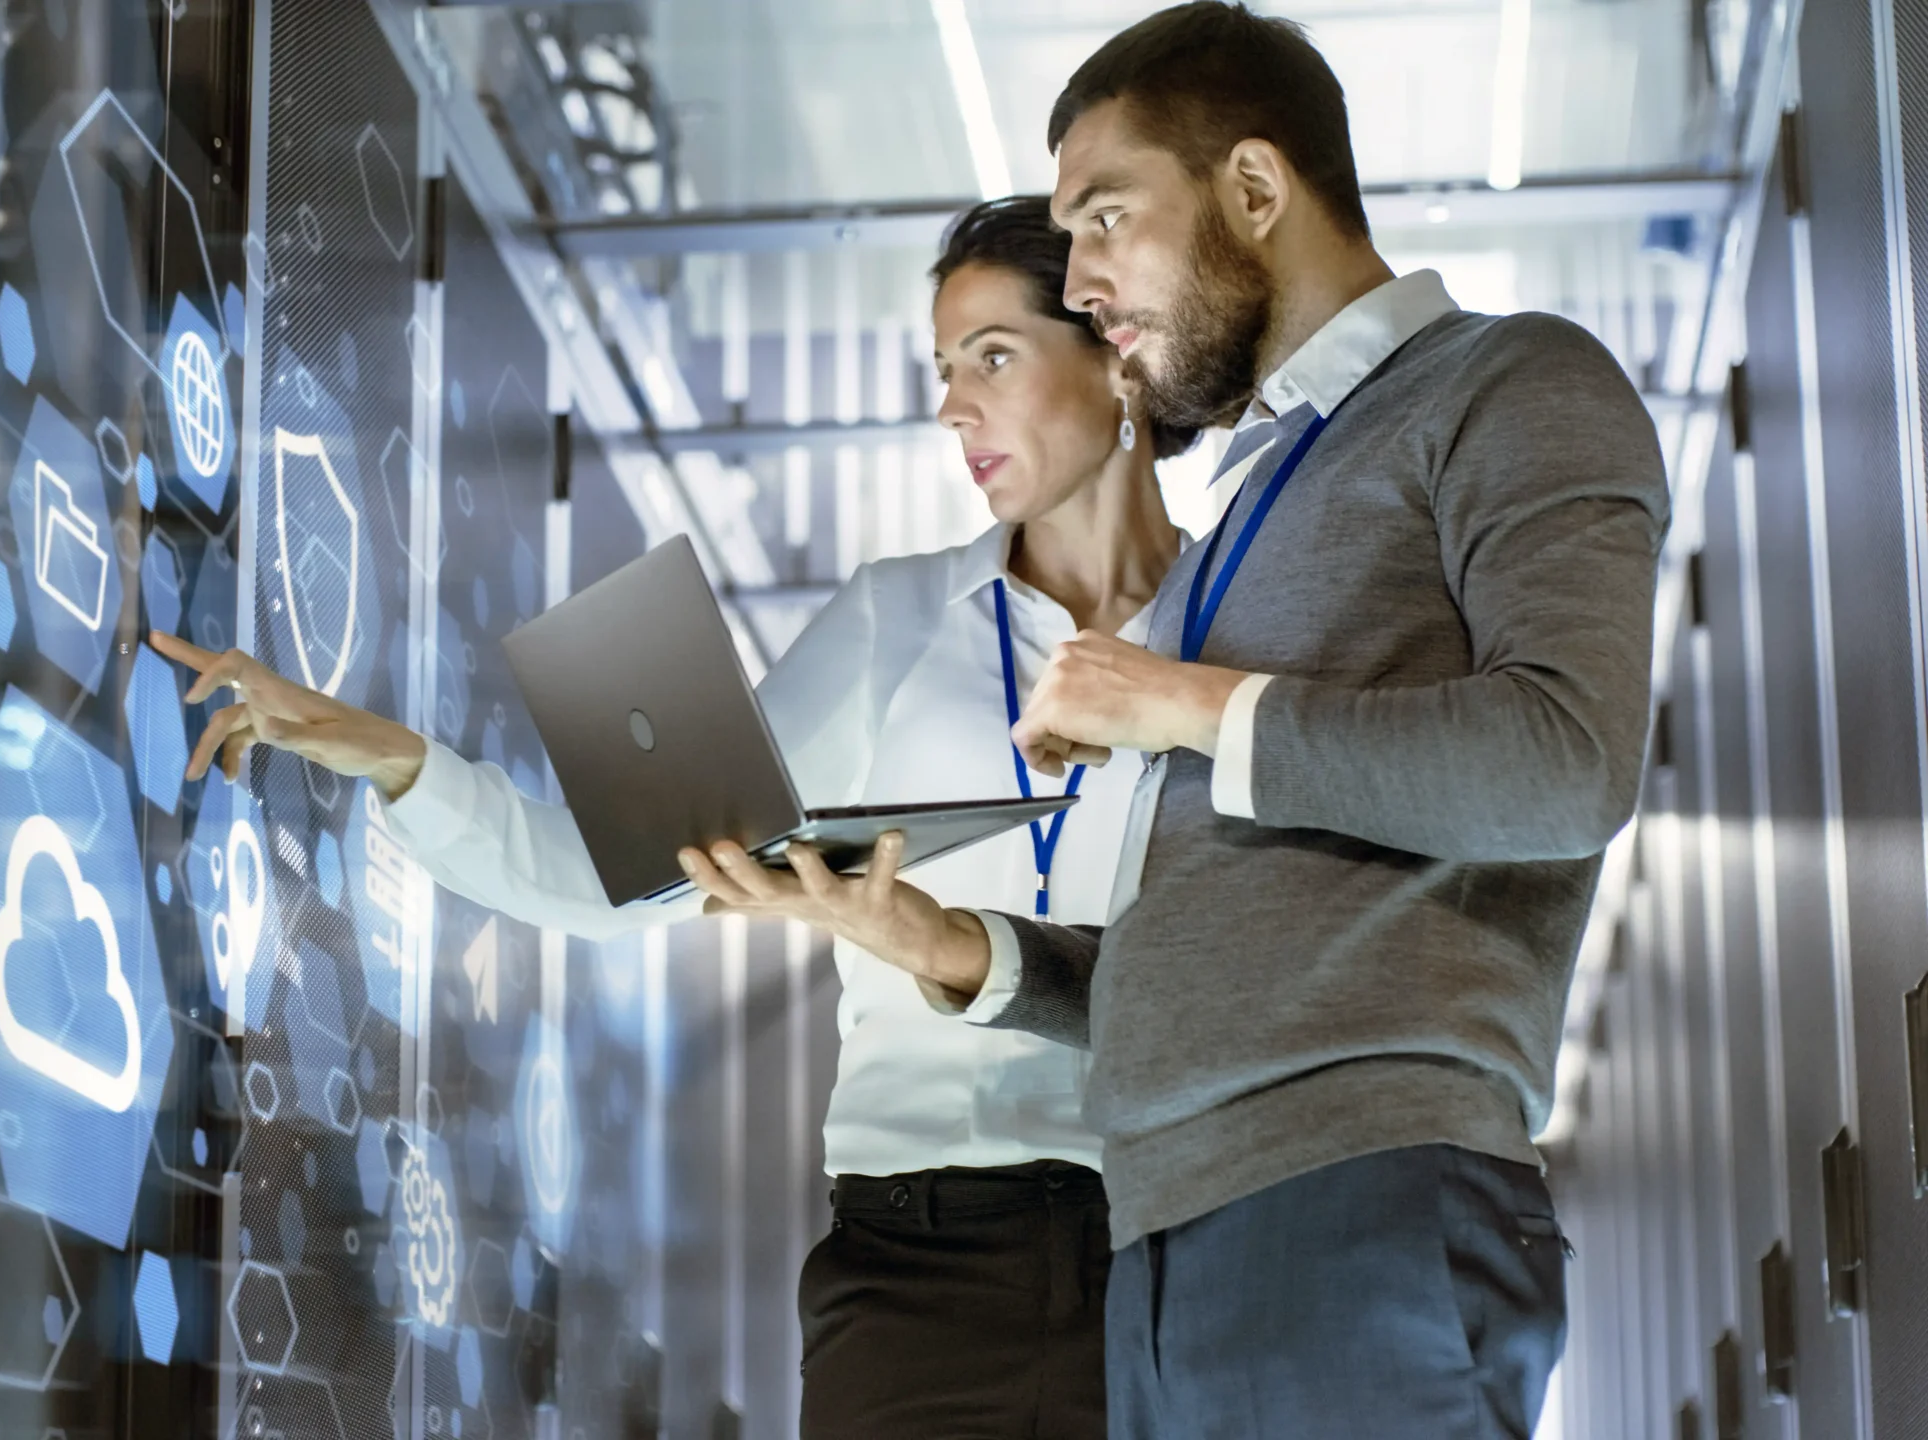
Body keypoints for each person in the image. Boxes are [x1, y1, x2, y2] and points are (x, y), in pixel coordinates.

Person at [675, 6, 1669, 1439]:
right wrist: (948, 951)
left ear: (1254, 193)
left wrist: (1180, 701)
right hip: (1167, 1237)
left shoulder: (1511, 383)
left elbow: (1564, 761)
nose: (1085, 279)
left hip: (1356, 1199)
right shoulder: (1254, 508)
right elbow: (1202, 941)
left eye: (1106, 218)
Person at [151, 196, 1198, 1439]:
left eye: (992, 357)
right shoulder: (894, 621)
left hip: (1174, 1245)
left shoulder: (1238, 638)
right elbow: (621, 880)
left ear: (1114, 353)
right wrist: (389, 758)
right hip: (917, 1258)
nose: (952, 408)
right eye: (940, 372)